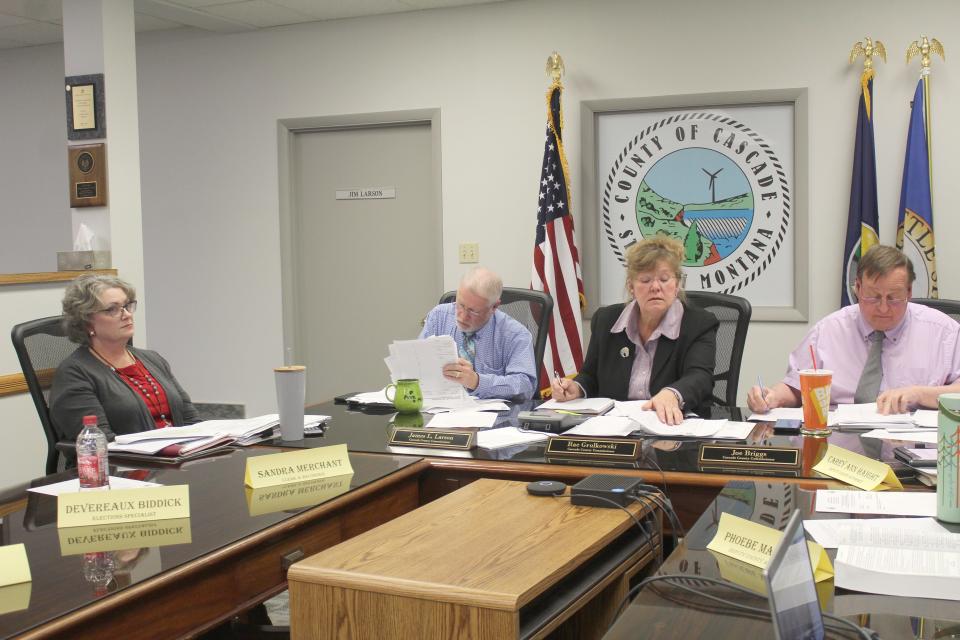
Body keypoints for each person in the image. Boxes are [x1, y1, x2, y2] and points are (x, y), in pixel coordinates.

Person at [748, 245, 960, 415]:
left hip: (915, 452)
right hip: (840, 451)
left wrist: (920, 394)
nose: (884, 308)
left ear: (910, 292)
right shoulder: (828, 330)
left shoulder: (944, 332)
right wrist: (772, 396)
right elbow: (796, 388)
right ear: (857, 287)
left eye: (894, 298)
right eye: (873, 297)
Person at [550, 236, 718, 425]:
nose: (655, 287)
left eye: (664, 279)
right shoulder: (606, 320)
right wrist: (577, 387)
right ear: (631, 286)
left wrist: (672, 394)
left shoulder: (699, 323)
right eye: (645, 280)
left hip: (671, 428)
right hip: (615, 429)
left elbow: (700, 377)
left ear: (677, 284)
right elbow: (590, 375)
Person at [49, 275, 200, 441]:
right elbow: (98, 442)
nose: (127, 314)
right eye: (112, 309)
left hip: (175, 458)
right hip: (127, 464)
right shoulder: (74, 374)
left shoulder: (152, 359)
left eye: (127, 306)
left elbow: (191, 420)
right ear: (87, 323)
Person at [419, 267, 537, 400]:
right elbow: (418, 363)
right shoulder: (439, 317)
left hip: (495, 417)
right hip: (439, 409)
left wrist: (477, 382)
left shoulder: (515, 335)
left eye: (473, 311)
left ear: (494, 307)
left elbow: (525, 386)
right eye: (460, 305)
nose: (462, 317)